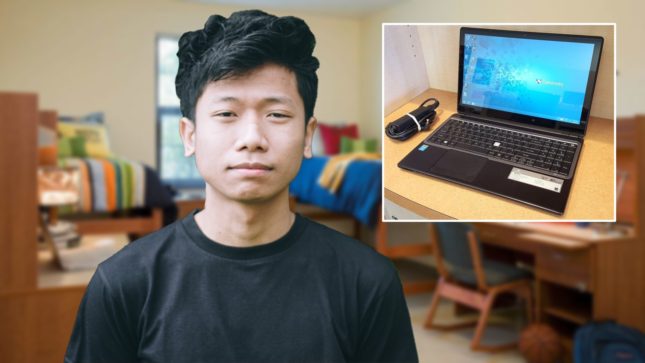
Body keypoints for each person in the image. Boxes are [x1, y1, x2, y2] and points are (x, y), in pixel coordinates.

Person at [65, 10, 418, 363]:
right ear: (189, 136)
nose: (252, 138)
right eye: (226, 114)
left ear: (308, 136)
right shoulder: (123, 284)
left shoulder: (369, 282)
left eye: (277, 115)